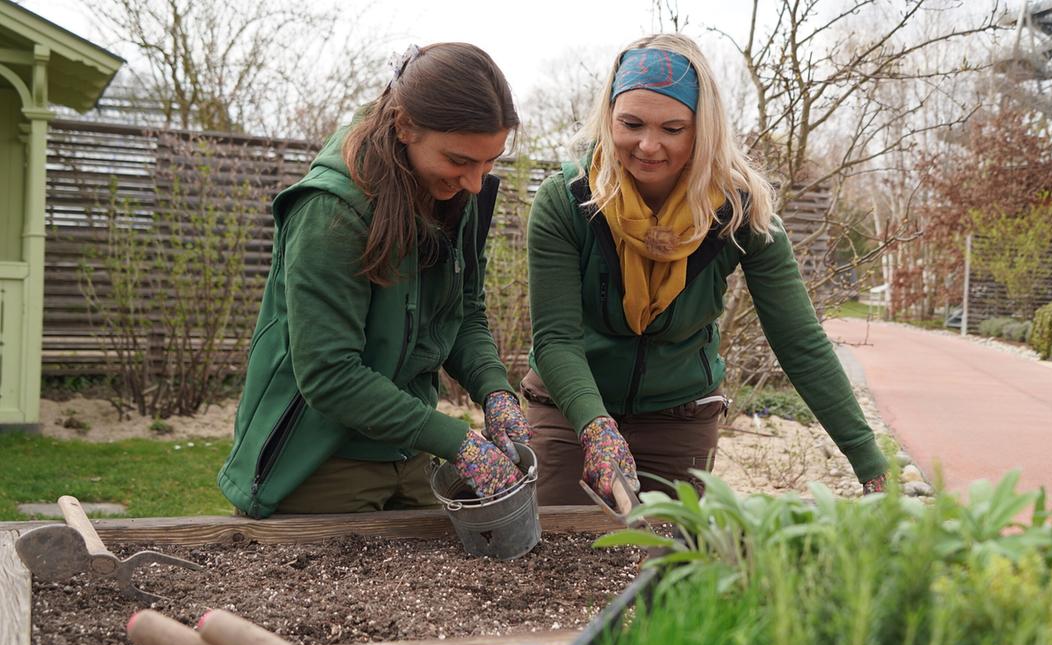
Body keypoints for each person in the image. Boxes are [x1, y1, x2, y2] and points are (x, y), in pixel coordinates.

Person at [523, 33, 887, 507]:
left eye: (673, 129)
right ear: (608, 117)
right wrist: (596, 427)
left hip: (678, 420)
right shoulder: (568, 200)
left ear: (703, 129)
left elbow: (799, 341)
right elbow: (556, 339)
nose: (648, 145)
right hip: (568, 414)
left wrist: (870, 464)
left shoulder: (740, 213)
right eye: (630, 123)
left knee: (671, 568)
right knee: (559, 560)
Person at [218, 43, 530, 518]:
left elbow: (463, 313)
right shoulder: (330, 212)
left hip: (411, 452)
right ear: (404, 125)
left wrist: (495, 390)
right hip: (320, 458)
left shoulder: (456, 195)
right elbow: (330, 374)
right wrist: (459, 442)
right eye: (459, 160)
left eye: (489, 162)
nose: (474, 182)